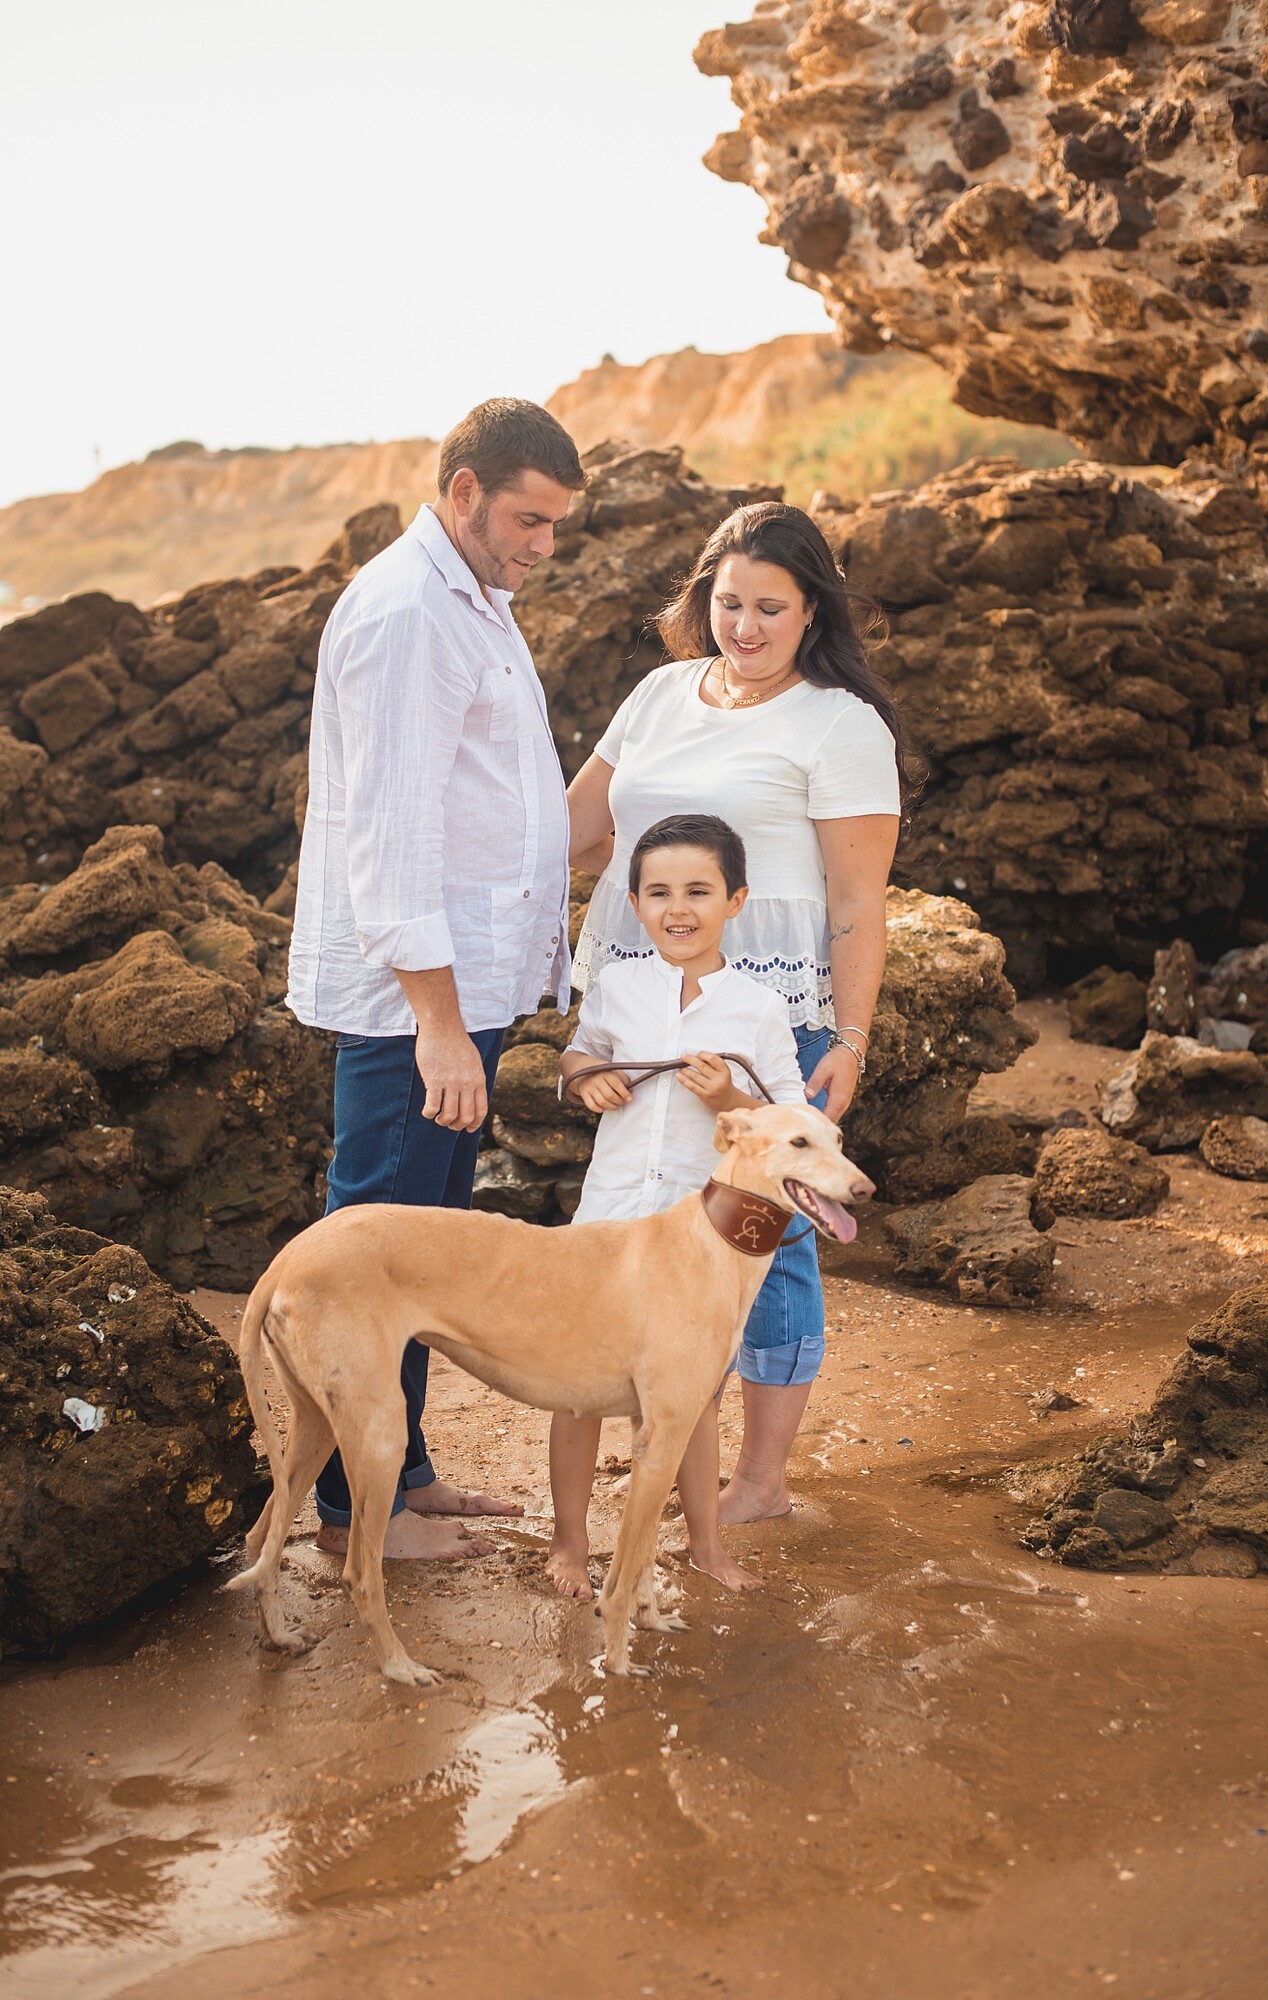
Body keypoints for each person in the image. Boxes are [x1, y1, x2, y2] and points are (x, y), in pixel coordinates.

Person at [564, 502, 906, 1525]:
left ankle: (758, 1478)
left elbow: (856, 901)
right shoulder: (659, 693)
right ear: (699, 598)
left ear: (812, 614)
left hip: (769, 1018)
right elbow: (577, 832)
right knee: (658, 1227)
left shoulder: (840, 724)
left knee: (770, 1234)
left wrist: (849, 1036)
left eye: (770, 607)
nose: (745, 627)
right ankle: (677, 1444)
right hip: (642, 1007)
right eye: (728, 603)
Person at [287, 397, 585, 1561]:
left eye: (557, 525)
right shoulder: (410, 610)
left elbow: (490, 802)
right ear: (464, 490)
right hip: (411, 1011)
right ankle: (346, 1515)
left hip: (462, 996)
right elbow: (392, 837)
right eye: (528, 518)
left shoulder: (476, 602)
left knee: (424, 1252)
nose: (543, 545)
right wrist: (439, 1026)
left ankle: (402, 1477)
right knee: (372, 1262)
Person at [547, 813, 808, 1600]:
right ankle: (567, 1545)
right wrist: (582, 1077)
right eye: (658, 892)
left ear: (736, 901)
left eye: (698, 890)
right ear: (633, 903)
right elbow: (578, 1052)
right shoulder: (620, 987)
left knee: (691, 1398)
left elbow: (792, 1120)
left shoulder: (758, 1008)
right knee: (577, 1388)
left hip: (704, 1235)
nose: (677, 908)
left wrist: (730, 1096)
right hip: (611, 1223)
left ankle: (705, 1546)